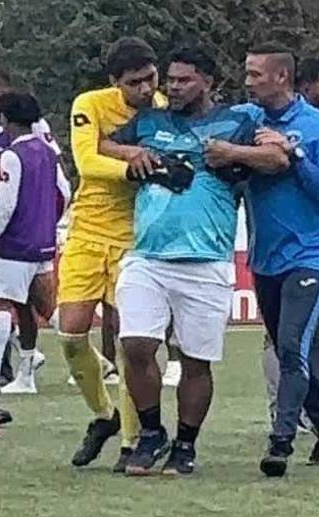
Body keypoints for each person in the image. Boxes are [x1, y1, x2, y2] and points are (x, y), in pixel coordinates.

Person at [97, 46, 287, 476]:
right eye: (171, 79)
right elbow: (102, 145)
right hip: (148, 255)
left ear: (208, 82)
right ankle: (149, 434)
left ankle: (185, 444)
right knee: (136, 345)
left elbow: (277, 157)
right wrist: (131, 155)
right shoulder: (149, 121)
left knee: (195, 360)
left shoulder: (239, 121)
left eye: (184, 80)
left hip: (206, 258)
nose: (173, 87)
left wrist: (233, 155)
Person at [242, 45, 319, 476]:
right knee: (291, 352)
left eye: (255, 74)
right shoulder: (246, 122)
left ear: (281, 78)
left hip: (311, 254)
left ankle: (281, 442)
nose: (248, 81)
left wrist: (294, 155)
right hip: (266, 255)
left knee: (291, 347)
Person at [58, 37, 165, 472]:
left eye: (150, 79)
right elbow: (86, 162)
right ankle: (105, 415)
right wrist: (131, 161)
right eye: (134, 82)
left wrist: (116, 149)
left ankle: (131, 440)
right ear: (114, 82)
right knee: (70, 334)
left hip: (133, 236)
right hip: (86, 230)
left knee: (129, 341)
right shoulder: (91, 104)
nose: (145, 89)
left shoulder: (161, 109)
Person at [0, 91, 71, 396]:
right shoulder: (46, 150)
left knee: (0, 305)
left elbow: (5, 206)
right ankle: (27, 374)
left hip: (15, 245)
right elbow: (65, 190)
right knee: (36, 306)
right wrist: (48, 220)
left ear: (4, 120)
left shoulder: (11, 155)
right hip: (43, 244)